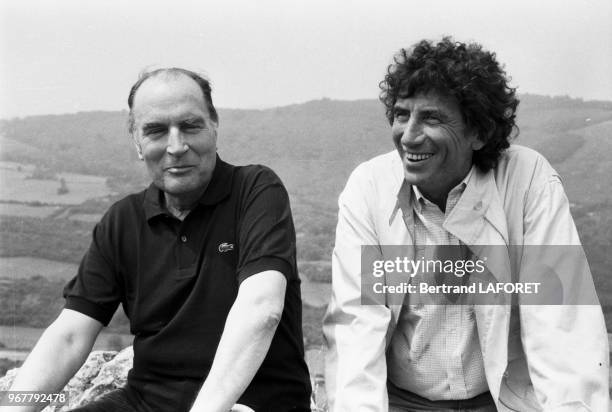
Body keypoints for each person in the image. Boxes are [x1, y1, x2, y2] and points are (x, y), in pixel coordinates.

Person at [323, 37, 609, 411]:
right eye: (401, 114)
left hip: (501, 399)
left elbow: (561, 323)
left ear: (480, 132)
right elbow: (356, 326)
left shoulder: (527, 181)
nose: (408, 135)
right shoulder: (369, 188)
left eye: (432, 118)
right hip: (402, 402)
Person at [1, 68, 312, 412]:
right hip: (144, 403)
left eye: (190, 126)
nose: (176, 146)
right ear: (137, 142)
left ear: (214, 126)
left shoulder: (254, 190)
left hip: (251, 403)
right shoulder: (123, 220)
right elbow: (70, 335)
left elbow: (262, 309)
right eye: (156, 131)